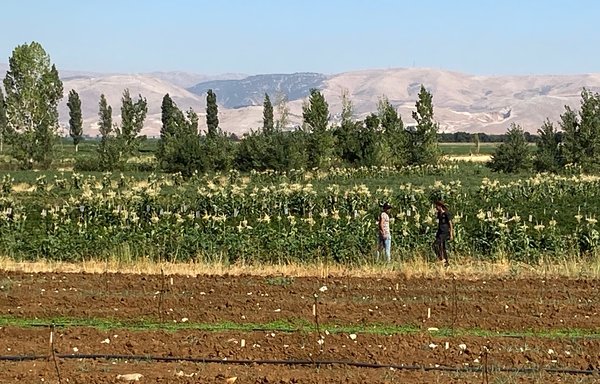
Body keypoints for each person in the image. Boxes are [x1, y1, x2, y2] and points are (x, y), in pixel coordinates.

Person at [433, 200, 453, 267]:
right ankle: (446, 263)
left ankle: (441, 258)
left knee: (435, 245)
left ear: (440, 206)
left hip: (445, 232)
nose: (436, 207)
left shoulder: (446, 214)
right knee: (442, 247)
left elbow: (450, 224)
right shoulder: (439, 214)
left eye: (436, 206)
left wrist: (451, 234)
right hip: (440, 231)